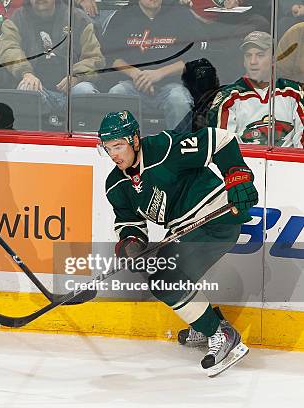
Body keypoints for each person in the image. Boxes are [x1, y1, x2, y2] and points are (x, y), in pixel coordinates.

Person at [98, 110, 257, 375]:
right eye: (108, 148)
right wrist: (131, 245)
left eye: (118, 145)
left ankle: (222, 334)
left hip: (216, 219)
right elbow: (128, 222)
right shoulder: (116, 184)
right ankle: (204, 323)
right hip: (184, 230)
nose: (114, 154)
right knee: (167, 275)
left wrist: (237, 175)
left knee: (166, 279)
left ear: (135, 140)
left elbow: (221, 139)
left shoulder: (164, 147)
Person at [0, 0, 105, 126]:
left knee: (86, 90)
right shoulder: (17, 19)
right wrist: (26, 73)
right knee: (27, 89)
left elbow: (94, 58)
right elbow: (7, 48)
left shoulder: (78, 18)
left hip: (72, 90)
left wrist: (76, 76)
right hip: (40, 91)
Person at [102, 0, 204, 129]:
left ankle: (178, 145)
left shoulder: (181, 15)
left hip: (173, 85)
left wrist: (159, 73)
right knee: (117, 93)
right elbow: (110, 57)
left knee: (179, 100)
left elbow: (195, 57)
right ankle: (124, 145)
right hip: (132, 84)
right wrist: (136, 74)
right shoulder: (122, 17)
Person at [207, 31, 304, 148]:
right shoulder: (228, 97)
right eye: (248, 56)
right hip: (243, 164)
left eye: (260, 55)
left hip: (287, 164)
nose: (253, 62)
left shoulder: (294, 93)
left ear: (274, 59)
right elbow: (222, 148)